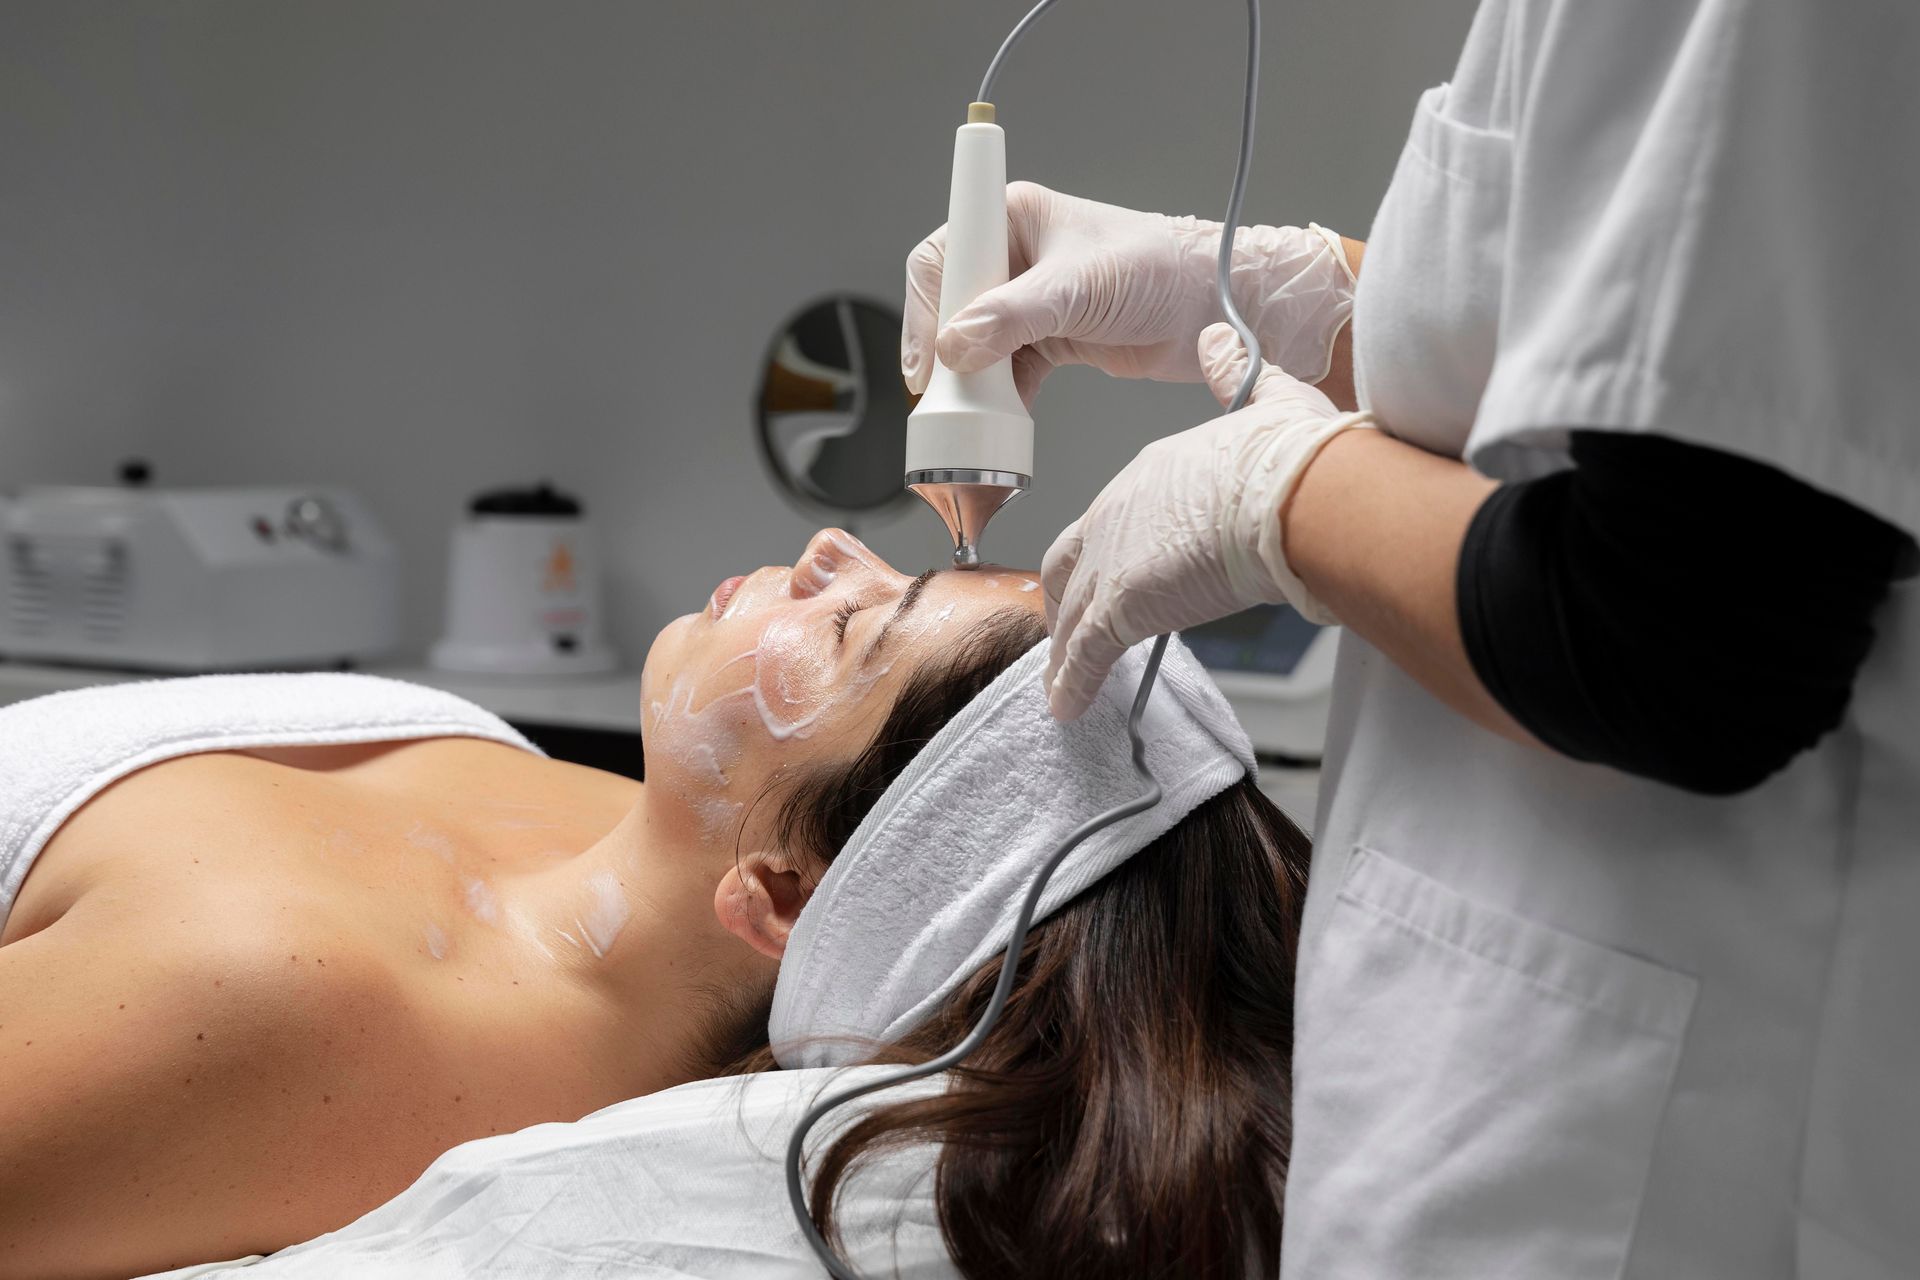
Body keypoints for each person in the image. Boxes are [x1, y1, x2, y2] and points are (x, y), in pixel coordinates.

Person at [902, 4, 1920, 1275]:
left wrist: (1281, 497)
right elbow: (1652, 337)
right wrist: (1315, 302)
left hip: (1669, 1148)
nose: (836, 551)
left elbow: (1696, 631)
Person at [0, 528, 1308, 1280]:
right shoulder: (590, 816)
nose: (827, 552)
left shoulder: (282, 999)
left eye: (854, 627)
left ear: (783, 898)